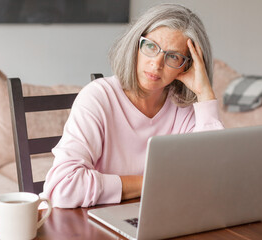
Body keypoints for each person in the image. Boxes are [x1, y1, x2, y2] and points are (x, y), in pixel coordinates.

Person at [41, 3, 224, 208]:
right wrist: (152, 183)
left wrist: (205, 95)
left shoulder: (184, 108)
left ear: (187, 65)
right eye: (151, 46)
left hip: (158, 215)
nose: (156, 64)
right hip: (93, 220)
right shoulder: (98, 98)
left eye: (173, 56)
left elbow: (212, 180)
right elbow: (63, 188)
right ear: (135, 44)